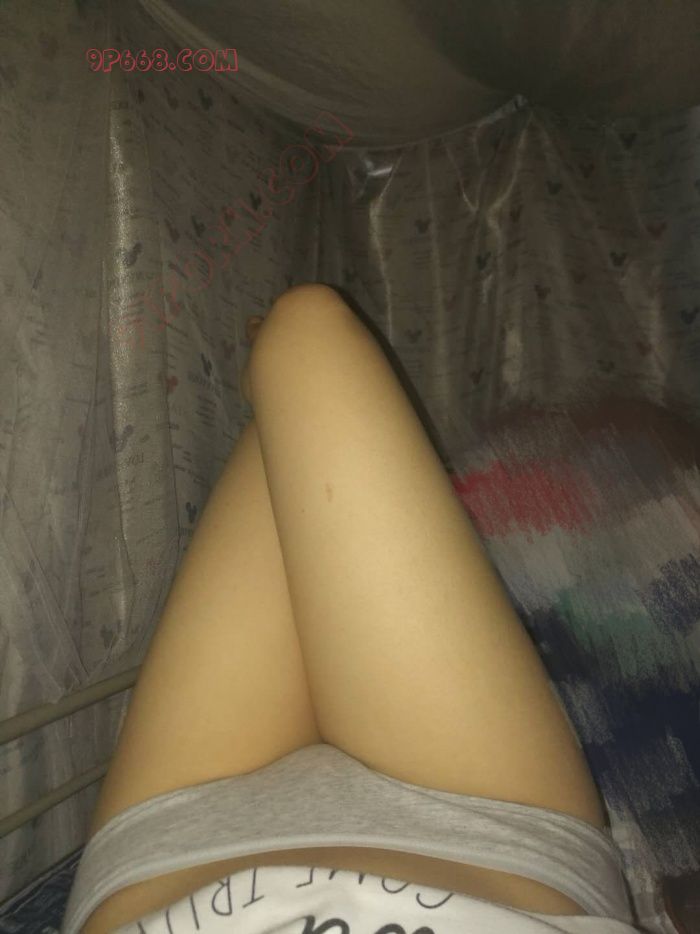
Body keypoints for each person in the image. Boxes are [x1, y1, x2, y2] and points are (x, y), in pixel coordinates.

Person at [63, 283, 638, 934]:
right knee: (307, 333)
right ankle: (279, 405)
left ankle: (277, 408)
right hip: (500, 845)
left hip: (174, 854)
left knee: (302, 348)